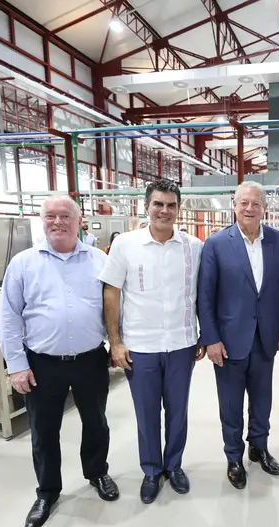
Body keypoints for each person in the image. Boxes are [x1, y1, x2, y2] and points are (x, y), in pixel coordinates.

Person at [0, 196, 118, 527]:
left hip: (90, 359)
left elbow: (113, 308)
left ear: (79, 221)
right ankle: (47, 492)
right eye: (50, 216)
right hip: (42, 363)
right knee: (44, 430)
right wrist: (16, 365)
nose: (57, 222)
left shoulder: (99, 260)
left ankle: (97, 472)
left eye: (65, 216)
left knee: (96, 422)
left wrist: (116, 344)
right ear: (42, 221)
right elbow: (8, 317)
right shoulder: (23, 263)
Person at [100, 180, 204, 504]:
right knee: (146, 414)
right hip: (140, 347)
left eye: (171, 205)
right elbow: (111, 293)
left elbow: (202, 293)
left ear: (178, 209)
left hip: (181, 344)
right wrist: (115, 342)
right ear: (146, 207)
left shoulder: (193, 247)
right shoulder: (125, 245)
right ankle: (151, 470)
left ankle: (173, 466)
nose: (164, 211)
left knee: (177, 411)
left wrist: (204, 333)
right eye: (158, 204)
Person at [198, 181, 279, 489]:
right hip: (228, 340)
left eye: (256, 203)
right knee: (230, 404)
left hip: (266, 337)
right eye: (244, 203)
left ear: (264, 207)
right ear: (234, 205)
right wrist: (211, 338)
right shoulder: (216, 244)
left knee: (262, 399)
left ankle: (259, 447)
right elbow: (205, 295)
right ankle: (234, 457)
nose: (249, 209)